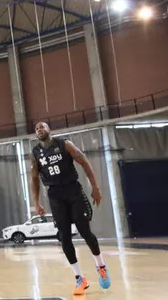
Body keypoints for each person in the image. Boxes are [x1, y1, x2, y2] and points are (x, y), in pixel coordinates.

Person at [31, 122, 111, 295]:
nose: (39, 130)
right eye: (37, 128)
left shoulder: (64, 144)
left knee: (85, 231)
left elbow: (84, 162)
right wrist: (36, 202)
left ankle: (101, 266)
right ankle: (80, 278)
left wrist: (95, 187)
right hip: (55, 195)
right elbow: (35, 178)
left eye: (42, 127)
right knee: (64, 237)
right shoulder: (36, 152)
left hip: (72, 190)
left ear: (49, 129)